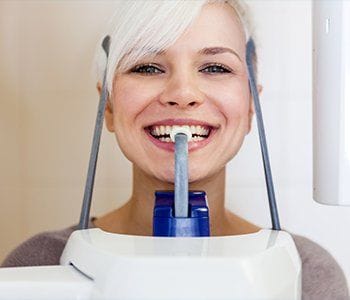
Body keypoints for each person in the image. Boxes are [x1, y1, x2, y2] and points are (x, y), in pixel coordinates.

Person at [2, 1, 349, 299]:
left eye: (215, 67)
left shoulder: (309, 274)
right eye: (147, 66)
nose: (182, 93)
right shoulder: (37, 265)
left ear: (249, 108)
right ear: (107, 106)